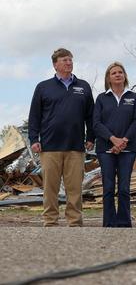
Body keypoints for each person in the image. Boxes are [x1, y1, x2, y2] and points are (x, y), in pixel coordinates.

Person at [28, 48, 94, 227]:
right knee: (50, 189)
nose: (69, 63)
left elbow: (91, 115)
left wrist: (91, 137)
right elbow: (34, 116)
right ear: (55, 64)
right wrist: (34, 139)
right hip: (50, 147)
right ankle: (50, 222)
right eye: (65, 60)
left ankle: (74, 222)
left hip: (75, 147)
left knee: (75, 189)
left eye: (71, 60)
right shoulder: (43, 87)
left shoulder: (83, 86)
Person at [93, 62, 136, 227]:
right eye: (113, 72)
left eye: (120, 72)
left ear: (125, 76)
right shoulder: (101, 98)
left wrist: (124, 140)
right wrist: (113, 139)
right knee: (108, 188)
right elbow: (96, 123)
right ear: (108, 77)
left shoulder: (133, 97)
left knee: (123, 188)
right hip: (105, 149)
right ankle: (109, 223)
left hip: (128, 149)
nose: (117, 74)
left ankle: (123, 223)